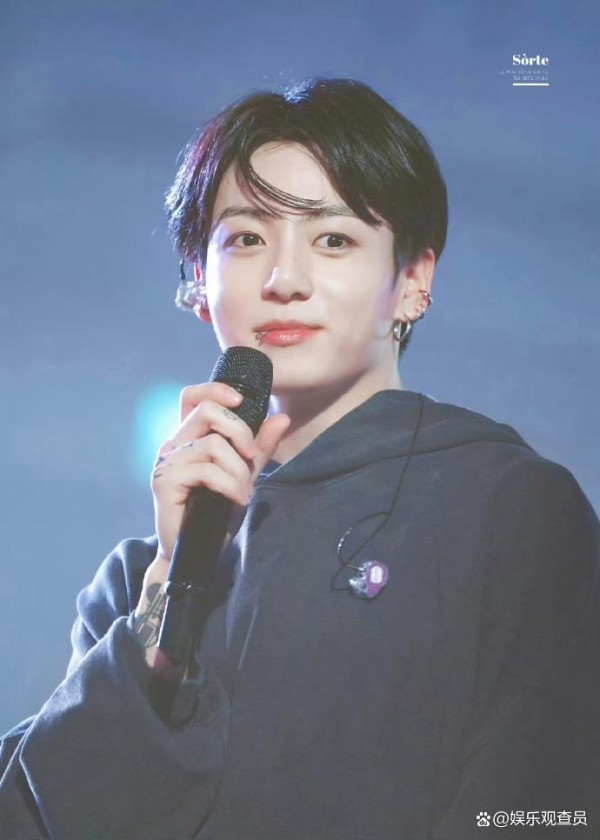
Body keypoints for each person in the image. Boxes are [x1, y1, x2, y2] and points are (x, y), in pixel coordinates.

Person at [1, 77, 599, 840]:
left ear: (412, 281)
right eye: (247, 239)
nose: (284, 280)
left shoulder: (508, 511)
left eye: (333, 239)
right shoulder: (136, 581)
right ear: (199, 282)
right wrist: (168, 596)